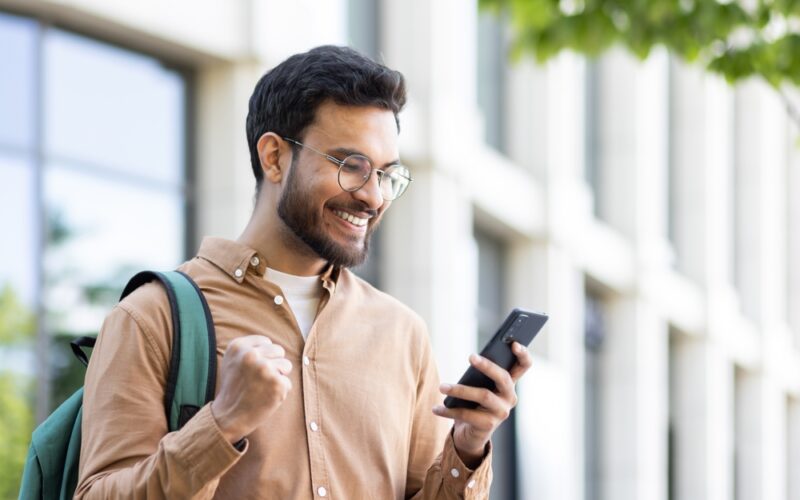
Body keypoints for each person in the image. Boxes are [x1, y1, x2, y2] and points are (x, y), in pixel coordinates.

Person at [75, 45, 532, 499]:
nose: (373, 197)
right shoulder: (151, 318)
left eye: (386, 174)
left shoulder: (402, 333)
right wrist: (222, 422)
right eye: (351, 166)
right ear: (274, 157)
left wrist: (467, 447)